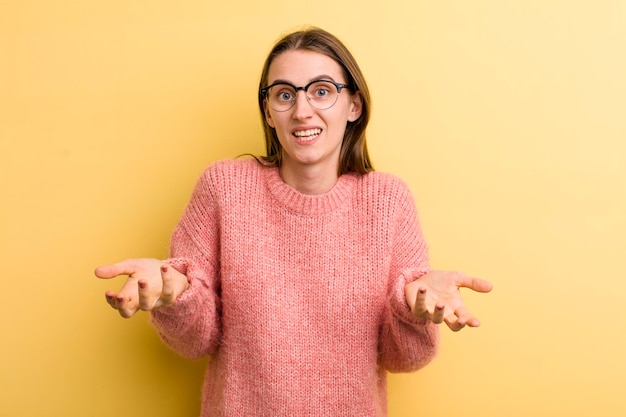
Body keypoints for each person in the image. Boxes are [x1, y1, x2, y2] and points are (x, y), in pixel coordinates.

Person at [95, 27, 493, 417]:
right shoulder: (224, 188)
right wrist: (174, 295)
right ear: (269, 111)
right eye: (285, 95)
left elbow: (402, 359)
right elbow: (196, 342)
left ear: (353, 105)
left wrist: (414, 313)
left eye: (322, 91)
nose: (302, 111)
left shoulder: (388, 200)